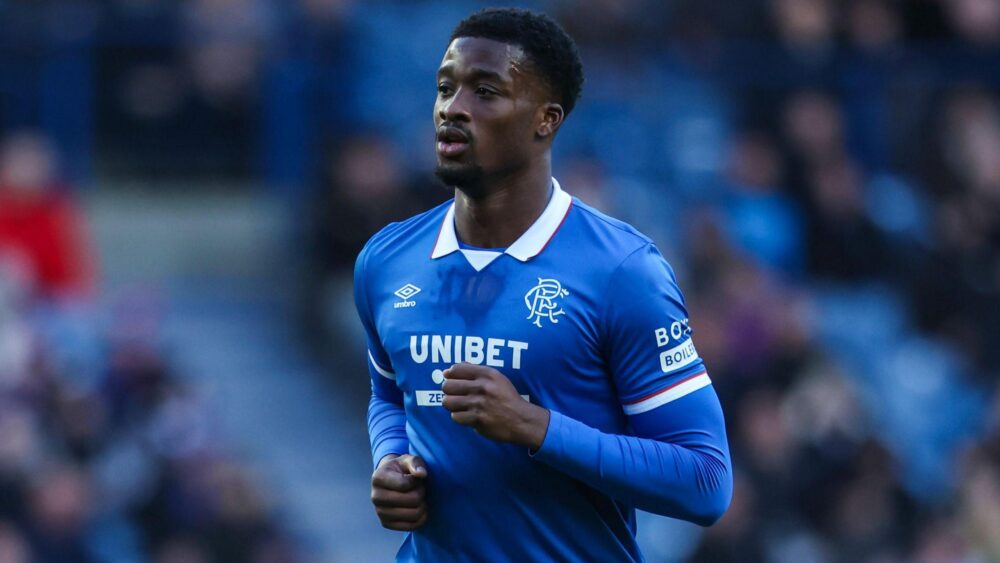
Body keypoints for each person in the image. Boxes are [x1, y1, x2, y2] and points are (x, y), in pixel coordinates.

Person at [356, 9, 732, 562]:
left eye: (486, 91)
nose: (452, 108)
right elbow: (389, 394)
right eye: (445, 88)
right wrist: (391, 460)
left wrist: (535, 427)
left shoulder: (622, 272)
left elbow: (705, 481)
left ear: (546, 120)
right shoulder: (387, 260)